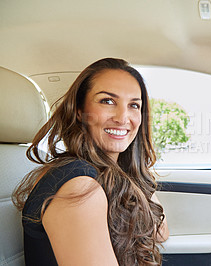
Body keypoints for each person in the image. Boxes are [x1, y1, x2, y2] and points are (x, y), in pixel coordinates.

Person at [13, 58, 169, 265]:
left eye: (134, 105)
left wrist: (134, 171)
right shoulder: (78, 185)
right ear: (79, 111)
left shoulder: (111, 174)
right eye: (107, 101)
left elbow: (161, 233)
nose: (123, 118)